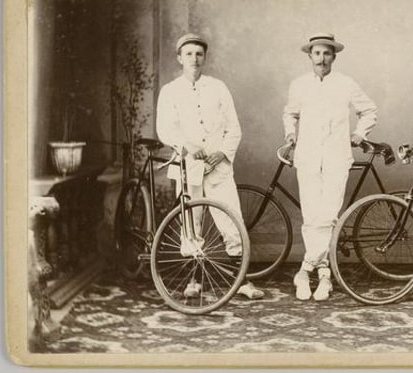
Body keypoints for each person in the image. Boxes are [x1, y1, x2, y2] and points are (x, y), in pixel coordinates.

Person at [156, 33, 264, 300]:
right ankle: (194, 280)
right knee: (191, 225)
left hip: (218, 168)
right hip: (187, 167)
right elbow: (165, 129)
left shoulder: (218, 88)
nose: (194, 59)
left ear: (204, 58)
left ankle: (242, 280)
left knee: (232, 220)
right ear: (179, 58)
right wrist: (187, 145)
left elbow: (234, 128)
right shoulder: (170, 91)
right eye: (189, 54)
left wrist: (222, 153)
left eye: (199, 54)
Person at [283, 33, 378, 301]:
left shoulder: (346, 83)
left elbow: (369, 110)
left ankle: (305, 270)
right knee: (312, 215)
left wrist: (360, 133)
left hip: (337, 156)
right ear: (310, 56)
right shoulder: (299, 85)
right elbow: (290, 113)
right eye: (317, 53)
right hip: (308, 156)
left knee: (328, 215)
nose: (321, 59)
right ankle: (324, 271)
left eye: (326, 53)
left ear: (334, 56)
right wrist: (290, 133)